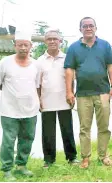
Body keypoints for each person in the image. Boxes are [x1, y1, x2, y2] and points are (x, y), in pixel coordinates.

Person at [64, 17, 112, 169]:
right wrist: (69, 92)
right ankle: (85, 158)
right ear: (80, 29)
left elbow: (110, 67)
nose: (88, 28)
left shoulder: (105, 45)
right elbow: (69, 70)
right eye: (85, 26)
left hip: (103, 92)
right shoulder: (74, 47)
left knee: (104, 127)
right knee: (84, 128)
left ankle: (103, 156)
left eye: (91, 26)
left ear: (95, 28)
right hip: (82, 94)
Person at [0, 27, 40, 181]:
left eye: (26, 45)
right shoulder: (5, 63)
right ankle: (7, 169)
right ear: (15, 46)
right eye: (20, 45)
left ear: (31, 46)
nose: (23, 47)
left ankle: (21, 166)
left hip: (30, 110)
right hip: (9, 110)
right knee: (8, 141)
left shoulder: (35, 65)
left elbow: (37, 86)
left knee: (27, 138)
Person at [36, 29, 80, 168]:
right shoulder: (39, 61)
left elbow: (72, 79)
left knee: (67, 130)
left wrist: (72, 94)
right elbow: (37, 83)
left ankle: (72, 157)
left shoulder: (67, 58)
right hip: (46, 101)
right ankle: (49, 160)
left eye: (55, 39)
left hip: (65, 100)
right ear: (45, 42)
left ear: (60, 41)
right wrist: (38, 100)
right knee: (48, 132)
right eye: (49, 39)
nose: (52, 41)